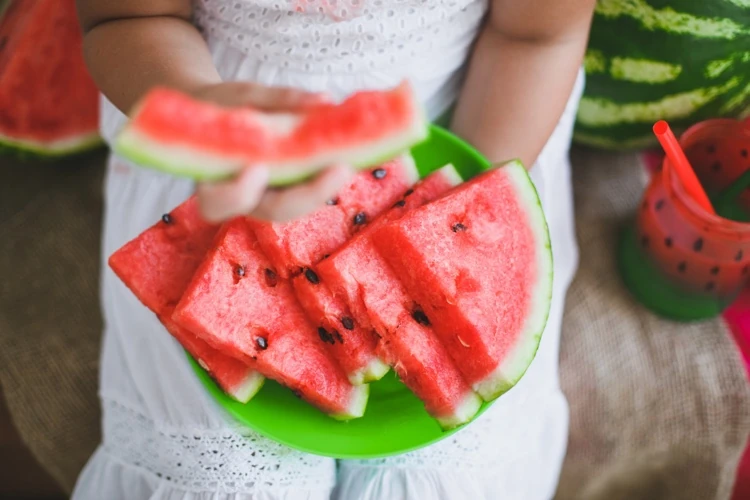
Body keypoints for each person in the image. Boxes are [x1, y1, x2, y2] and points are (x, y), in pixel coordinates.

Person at [72, 1, 595, 498]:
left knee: (442, 478)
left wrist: (450, 218)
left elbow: (535, 38)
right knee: (226, 476)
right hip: (208, 126)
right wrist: (200, 113)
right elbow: (127, 17)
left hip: (474, 121)